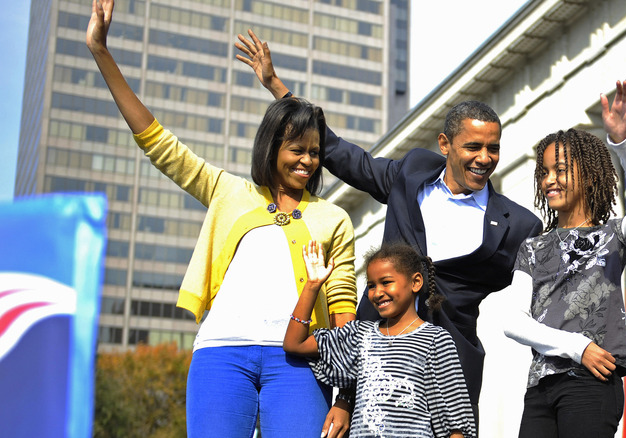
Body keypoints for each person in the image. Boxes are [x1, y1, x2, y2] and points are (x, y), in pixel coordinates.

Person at [234, 31, 544, 424]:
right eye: (473, 147)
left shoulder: (518, 225)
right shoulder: (411, 174)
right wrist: (277, 87)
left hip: (451, 368)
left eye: (493, 148)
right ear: (445, 144)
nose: (485, 158)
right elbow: (344, 155)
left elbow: (553, 280)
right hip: (375, 360)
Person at [86, 2, 357, 437]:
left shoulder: (334, 219)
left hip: (300, 364)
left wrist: (345, 399)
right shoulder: (228, 192)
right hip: (222, 355)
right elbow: (158, 143)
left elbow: (344, 313)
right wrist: (101, 51)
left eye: (314, 152)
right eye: (296, 149)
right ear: (272, 147)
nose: (307, 160)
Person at [503, 81, 626, 437]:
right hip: (540, 389)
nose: (550, 180)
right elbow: (513, 323)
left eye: (560, 170)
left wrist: (624, 143)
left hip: (593, 384)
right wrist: (578, 346)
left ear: (589, 176)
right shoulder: (532, 249)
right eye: (544, 172)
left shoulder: (614, 237)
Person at [284, 241, 476, 438]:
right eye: (371, 285)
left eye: (386, 282)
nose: (376, 293)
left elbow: (454, 417)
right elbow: (294, 344)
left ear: (415, 282)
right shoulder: (359, 334)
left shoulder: (435, 339)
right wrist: (313, 285)